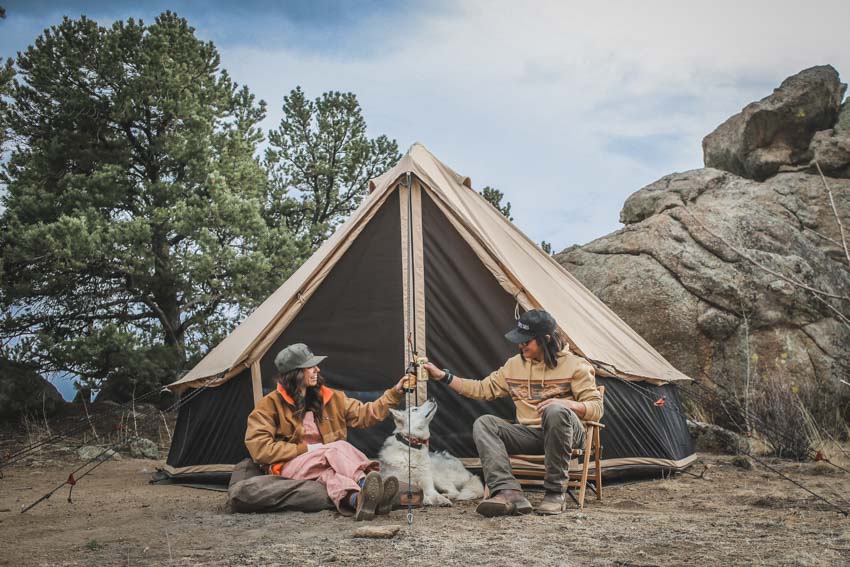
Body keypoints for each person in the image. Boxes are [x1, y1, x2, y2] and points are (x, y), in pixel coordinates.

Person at [423, 309, 603, 516]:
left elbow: (597, 409)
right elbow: (482, 389)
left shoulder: (576, 365)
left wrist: (566, 404)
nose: (520, 345)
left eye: (526, 341)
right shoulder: (514, 365)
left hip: (567, 433)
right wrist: (442, 377)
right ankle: (508, 492)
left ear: (545, 339)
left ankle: (555, 492)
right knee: (485, 423)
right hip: (529, 434)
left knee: (555, 411)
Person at [245, 343, 408, 521]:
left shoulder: (332, 398)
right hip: (288, 465)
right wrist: (307, 450)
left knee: (331, 475)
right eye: (310, 367)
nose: (317, 369)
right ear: (296, 373)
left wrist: (395, 393)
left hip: (329, 462)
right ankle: (365, 482)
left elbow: (366, 414)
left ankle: (359, 500)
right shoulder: (268, 405)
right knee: (335, 448)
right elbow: (260, 449)